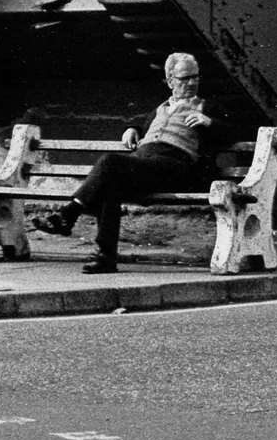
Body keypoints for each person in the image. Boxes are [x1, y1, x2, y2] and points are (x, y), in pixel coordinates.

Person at [32, 52, 222, 274]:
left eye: (195, 77)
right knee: (111, 187)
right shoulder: (159, 109)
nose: (192, 82)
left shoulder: (207, 107)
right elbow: (142, 122)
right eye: (184, 78)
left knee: (110, 162)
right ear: (170, 81)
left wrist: (209, 122)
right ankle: (105, 258)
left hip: (176, 167)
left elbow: (235, 130)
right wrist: (132, 128)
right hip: (145, 166)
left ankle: (69, 213)